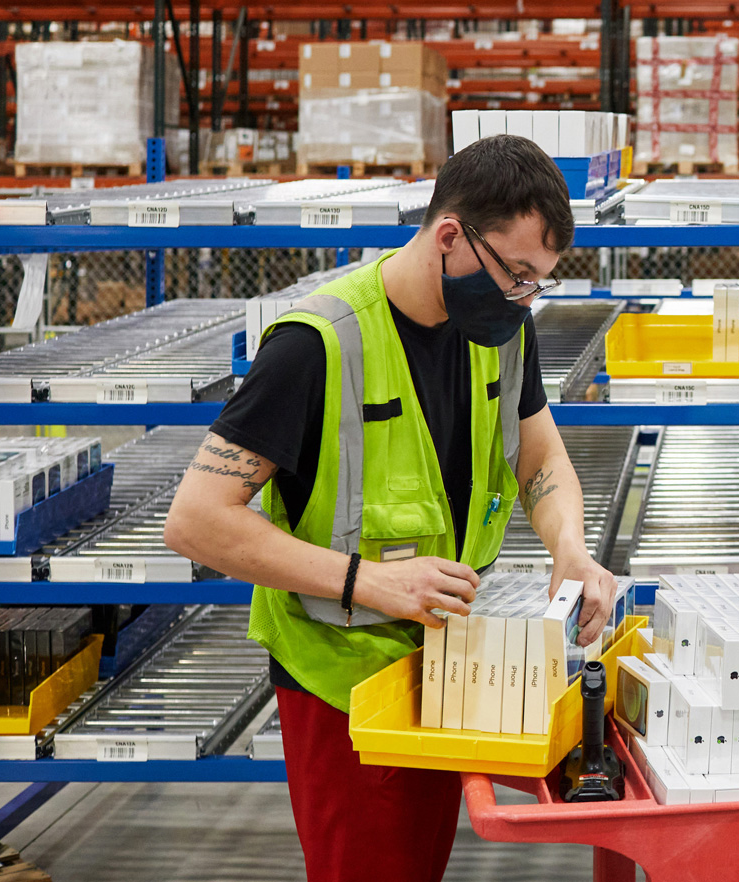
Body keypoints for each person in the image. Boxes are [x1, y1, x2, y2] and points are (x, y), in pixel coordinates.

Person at [165, 134, 617, 882]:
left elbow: (539, 456)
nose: (523, 298)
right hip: (343, 688)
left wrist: (569, 549)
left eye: (537, 283)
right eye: (516, 274)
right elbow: (197, 519)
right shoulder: (318, 344)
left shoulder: (498, 332)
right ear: (450, 237)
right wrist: (367, 581)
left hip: (438, 661)